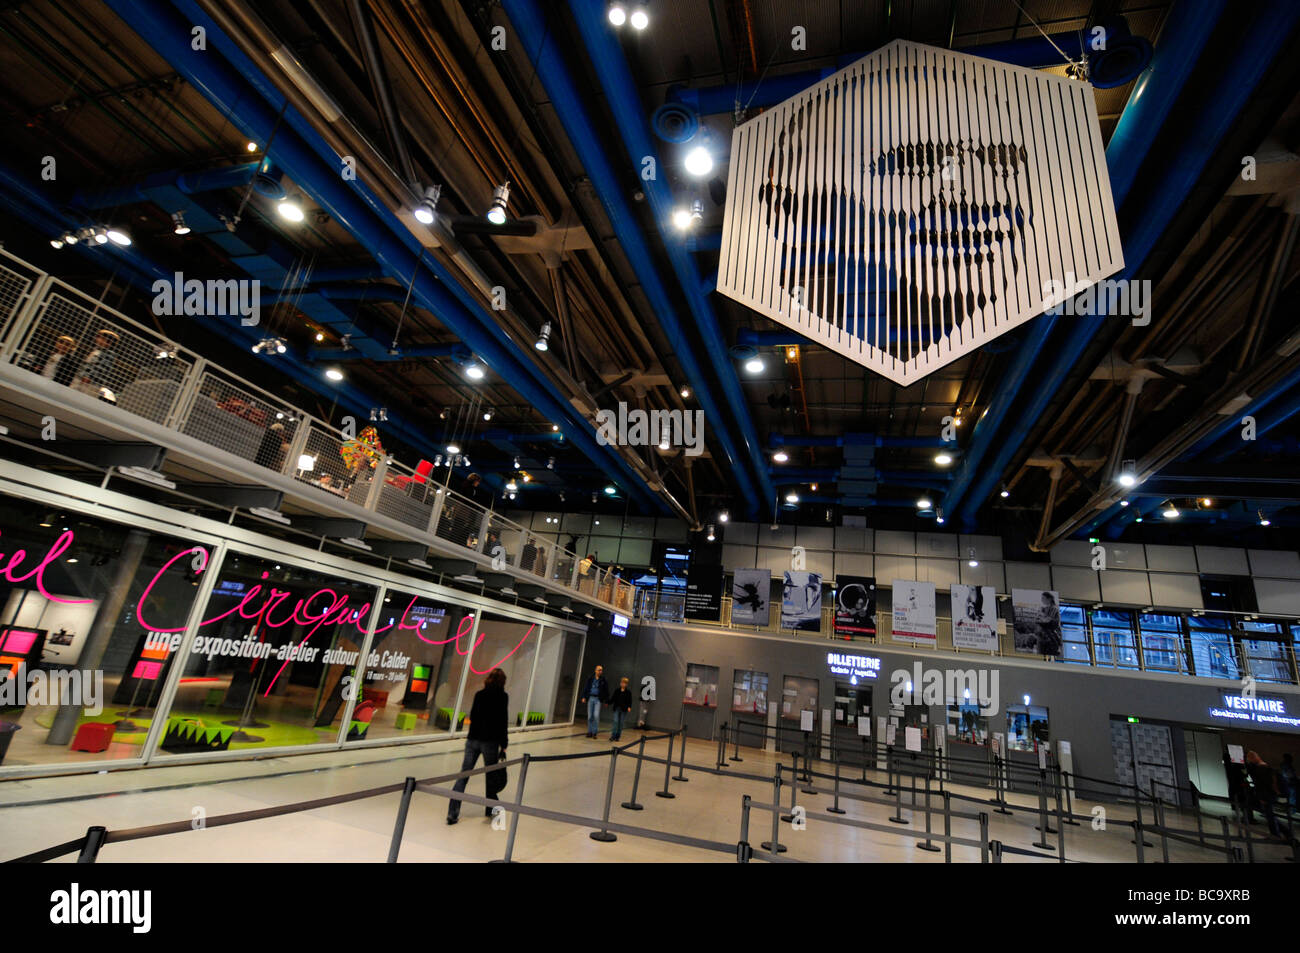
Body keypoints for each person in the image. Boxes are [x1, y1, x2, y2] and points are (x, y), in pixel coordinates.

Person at [446, 667, 509, 824]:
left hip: (473, 739)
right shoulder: (502, 697)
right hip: (490, 742)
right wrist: (504, 744)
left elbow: (473, 715)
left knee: (464, 775)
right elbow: (502, 721)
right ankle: (490, 808)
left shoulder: (479, 695)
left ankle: (452, 812)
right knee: (491, 775)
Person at [71, 329, 120, 398]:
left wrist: (89, 377)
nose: (98, 339)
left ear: (108, 342)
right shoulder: (96, 350)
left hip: (91, 383)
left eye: (101, 338)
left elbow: (101, 367)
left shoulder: (108, 354)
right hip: (82, 378)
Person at [1245, 750, 1282, 837]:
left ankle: (1277, 834)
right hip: (1271, 794)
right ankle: (1281, 833)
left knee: (1270, 816)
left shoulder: (1259, 769)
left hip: (1266, 795)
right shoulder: (1265, 765)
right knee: (1270, 815)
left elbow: (1261, 785)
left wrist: (1262, 797)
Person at [578, 664, 609, 738]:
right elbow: (586, 688)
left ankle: (595, 732)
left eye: (601, 670)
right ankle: (589, 732)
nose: (600, 671)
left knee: (596, 715)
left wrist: (606, 700)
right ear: (595, 670)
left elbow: (606, 691)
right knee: (590, 716)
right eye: (599, 670)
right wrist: (583, 697)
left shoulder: (603, 680)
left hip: (598, 699)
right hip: (591, 698)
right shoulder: (590, 678)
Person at [608, 676, 633, 742]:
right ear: (620, 683)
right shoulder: (617, 691)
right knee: (615, 722)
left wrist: (629, 707)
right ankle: (613, 736)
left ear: (626, 684)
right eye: (622, 682)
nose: (623, 684)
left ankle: (617, 736)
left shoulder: (628, 692)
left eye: (625, 683)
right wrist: (608, 703)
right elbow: (613, 699)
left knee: (620, 723)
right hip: (617, 708)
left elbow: (630, 701)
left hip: (624, 709)